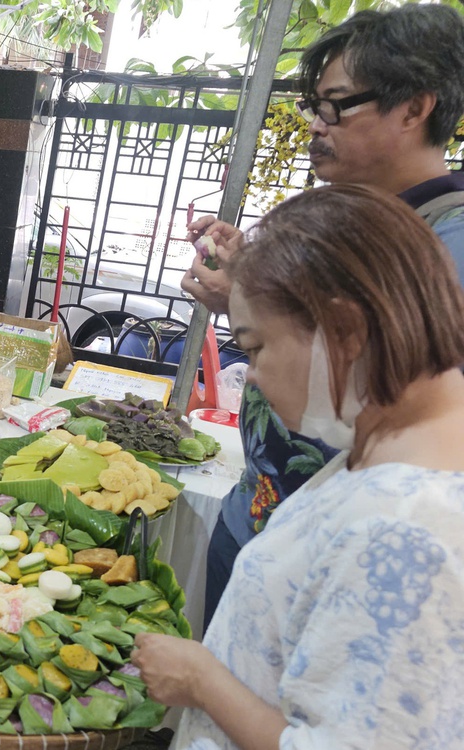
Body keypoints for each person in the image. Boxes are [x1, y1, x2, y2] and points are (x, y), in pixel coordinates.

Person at [133, 183, 464, 749]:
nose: (253, 377)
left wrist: (201, 681)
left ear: (345, 331)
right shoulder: (386, 446)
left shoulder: (410, 528)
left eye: (255, 347)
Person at [180, 3, 464, 631]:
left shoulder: (450, 243)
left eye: (336, 104)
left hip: (343, 563)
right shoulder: (352, 220)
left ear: (415, 108)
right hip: (260, 517)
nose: (315, 122)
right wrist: (252, 288)